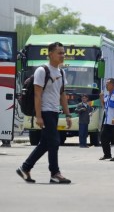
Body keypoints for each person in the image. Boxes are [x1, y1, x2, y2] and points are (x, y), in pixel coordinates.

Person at [16, 42, 72, 184]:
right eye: (59, 53)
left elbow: (62, 94)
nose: (62, 55)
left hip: (54, 112)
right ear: (50, 54)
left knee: (45, 144)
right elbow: (37, 95)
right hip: (45, 111)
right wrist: (39, 116)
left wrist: (68, 114)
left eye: (63, 53)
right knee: (54, 142)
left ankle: (25, 167)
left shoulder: (61, 72)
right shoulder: (42, 71)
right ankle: (55, 173)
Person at [99, 78, 114, 162]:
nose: (106, 85)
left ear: (113, 85)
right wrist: (101, 99)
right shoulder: (107, 95)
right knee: (103, 137)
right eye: (106, 83)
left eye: (108, 83)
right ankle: (107, 154)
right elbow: (104, 107)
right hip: (107, 122)